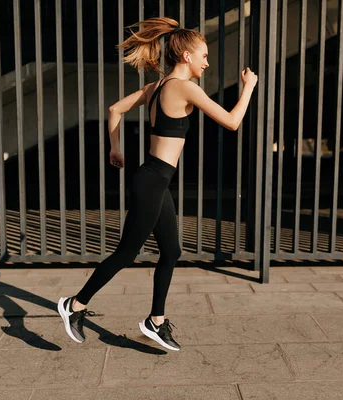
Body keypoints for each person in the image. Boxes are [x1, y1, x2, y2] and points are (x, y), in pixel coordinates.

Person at [58, 17, 258, 351]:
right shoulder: (183, 87)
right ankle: (74, 305)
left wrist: (115, 147)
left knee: (172, 250)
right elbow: (233, 122)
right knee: (126, 253)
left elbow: (114, 109)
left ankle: (156, 321)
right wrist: (249, 86)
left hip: (154, 179)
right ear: (187, 57)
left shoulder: (159, 86)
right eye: (204, 55)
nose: (207, 62)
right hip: (152, 182)